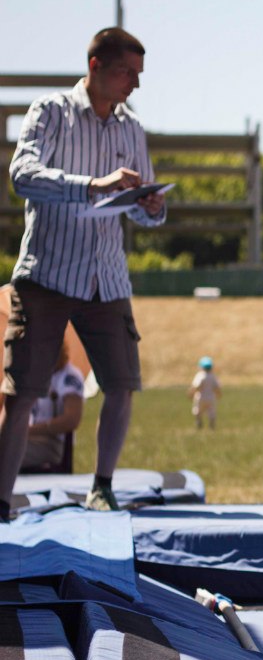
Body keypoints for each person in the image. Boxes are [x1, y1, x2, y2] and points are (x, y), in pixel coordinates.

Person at [1, 27, 166, 517]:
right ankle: (1, 501)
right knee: (22, 392)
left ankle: (103, 487)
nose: (133, 85)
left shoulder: (130, 127)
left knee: (121, 385)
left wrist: (151, 206)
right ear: (95, 66)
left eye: (138, 75)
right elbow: (22, 176)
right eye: (125, 73)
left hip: (107, 280)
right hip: (47, 276)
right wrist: (92, 185)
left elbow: (140, 211)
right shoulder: (50, 112)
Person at [19, 341, 84, 472]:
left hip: (52, 443)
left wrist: (27, 430)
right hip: (28, 439)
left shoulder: (69, 376)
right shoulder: (34, 374)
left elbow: (71, 420)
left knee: (6, 450)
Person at [188, 356, 221, 430]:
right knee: (211, 413)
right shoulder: (213, 376)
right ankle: (212, 426)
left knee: (198, 412)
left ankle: (199, 424)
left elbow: (196, 386)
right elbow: (217, 387)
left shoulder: (200, 375)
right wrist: (219, 394)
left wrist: (191, 393)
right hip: (211, 398)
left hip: (201, 397)